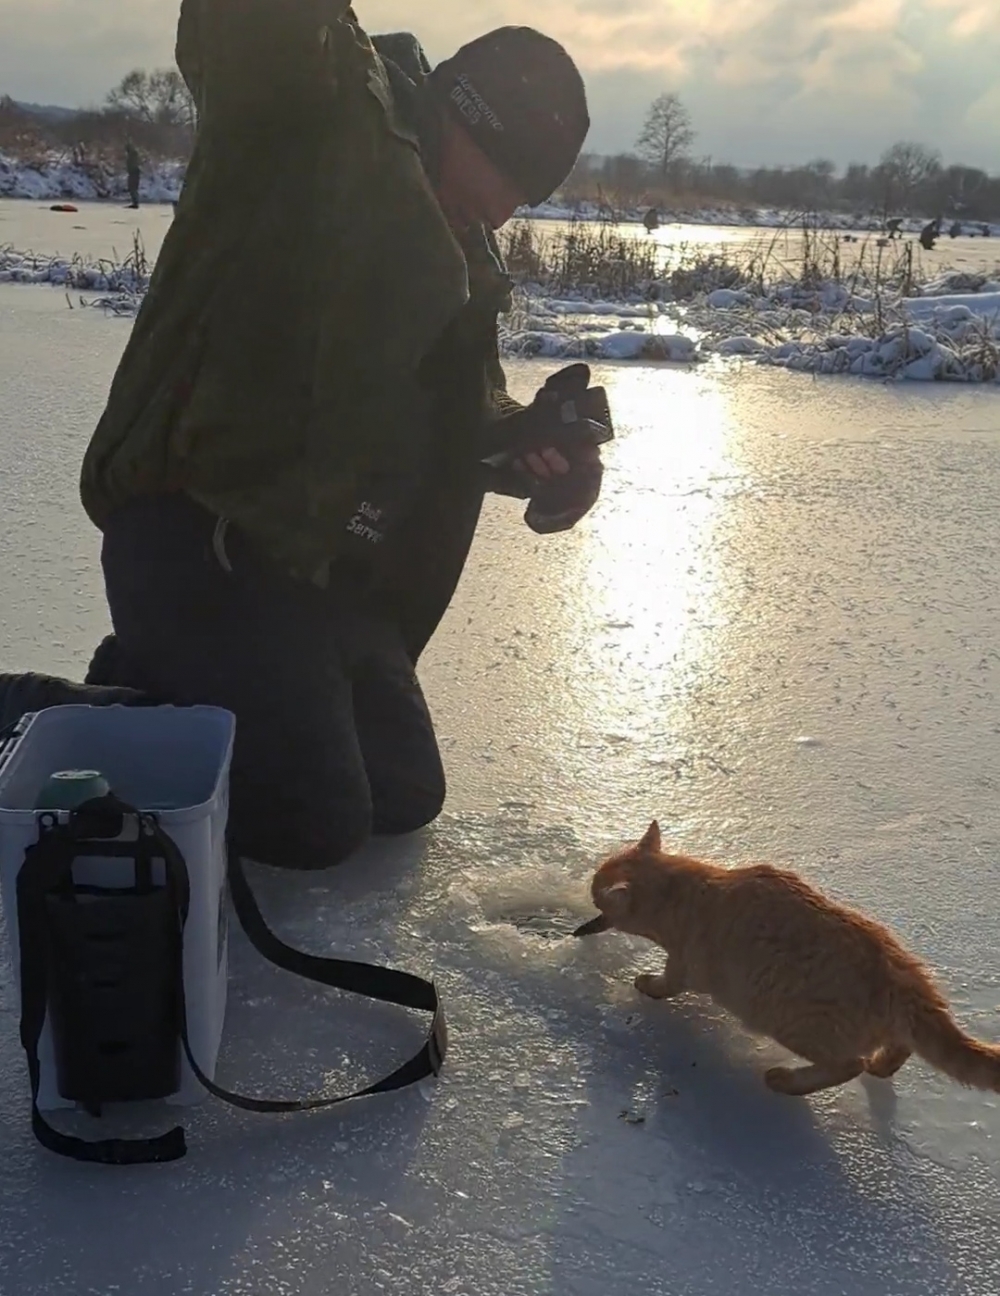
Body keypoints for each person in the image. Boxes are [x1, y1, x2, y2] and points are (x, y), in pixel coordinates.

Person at [0, 4, 608, 871]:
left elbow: (460, 408)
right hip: (200, 538)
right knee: (310, 818)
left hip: (317, 574)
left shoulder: (459, 246)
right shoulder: (313, 107)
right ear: (460, 113)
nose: (500, 211)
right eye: (502, 177)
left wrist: (536, 447)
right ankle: (25, 717)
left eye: (522, 196)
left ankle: (151, 681)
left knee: (401, 792)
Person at [125, 139, 141, 209]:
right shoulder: (131, 155)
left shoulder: (132, 155)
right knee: (132, 188)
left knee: (133, 188)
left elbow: (133, 164)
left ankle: (135, 203)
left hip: (134, 172)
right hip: (132, 173)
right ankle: (135, 202)